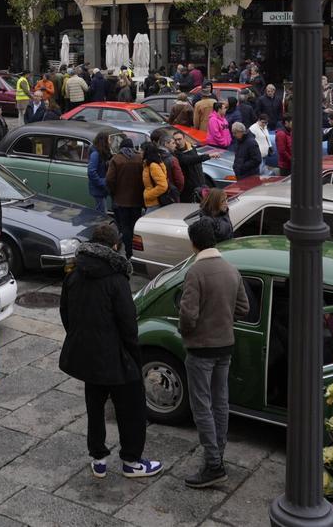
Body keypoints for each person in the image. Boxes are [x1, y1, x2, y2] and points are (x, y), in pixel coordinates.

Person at [58, 222, 162, 480]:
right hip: (116, 357)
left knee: (94, 407)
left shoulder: (74, 274)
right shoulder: (117, 280)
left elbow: (66, 313)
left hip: (87, 355)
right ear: (115, 246)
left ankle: (99, 459)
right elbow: (128, 324)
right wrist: (132, 354)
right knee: (132, 408)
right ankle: (131, 461)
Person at [179, 217, 251, 488]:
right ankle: (218, 455)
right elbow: (243, 309)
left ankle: (213, 465)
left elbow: (188, 314)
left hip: (201, 349)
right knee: (221, 402)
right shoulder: (231, 269)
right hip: (225, 345)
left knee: (202, 407)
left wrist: (187, 332)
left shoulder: (195, 273)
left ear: (194, 243)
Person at [106, 136, 144, 256]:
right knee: (134, 225)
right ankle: (136, 251)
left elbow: (109, 179)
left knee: (125, 227)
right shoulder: (140, 158)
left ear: (121, 147)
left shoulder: (116, 159)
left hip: (121, 200)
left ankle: (128, 252)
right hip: (137, 200)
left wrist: (114, 192)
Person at [173, 131, 208, 203]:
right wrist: (208, 156)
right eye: (175, 140)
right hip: (188, 189)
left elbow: (197, 164)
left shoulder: (191, 148)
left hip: (200, 183)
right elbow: (189, 160)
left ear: (184, 138)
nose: (177, 142)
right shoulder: (176, 153)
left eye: (179, 139)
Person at [84, 132, 113, 213]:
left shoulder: (102, 153)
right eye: (109, 140)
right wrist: (101, 181)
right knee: (101, 212)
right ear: (104, 141)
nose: (110, 142)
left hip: (101, 189)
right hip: (98, 189)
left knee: (101, 210)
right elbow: (91, 171)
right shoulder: (96, 154)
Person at [141, 141, 170, 209]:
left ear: (146, 152)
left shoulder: (153, 166)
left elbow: (163, 186)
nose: (140, 152)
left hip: (155, 203)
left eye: (142, 150)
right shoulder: (147, 165)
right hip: (152, 203)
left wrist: (148, 195)